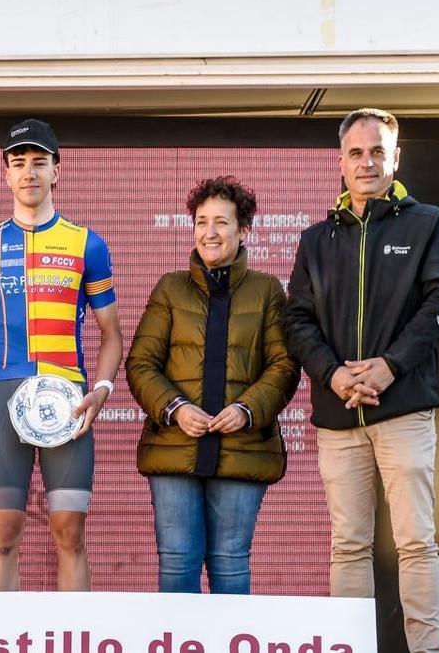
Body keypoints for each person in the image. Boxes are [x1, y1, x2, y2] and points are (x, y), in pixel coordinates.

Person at [283, 108, 439, 652]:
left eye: (378, 151)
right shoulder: (316, 240)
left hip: (405, 408)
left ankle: (429, 649)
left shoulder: (426, 222)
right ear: (340, 162)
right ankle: (350, 647)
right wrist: (335, 374)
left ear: (395, 158)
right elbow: (296, 320)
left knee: (415, 543)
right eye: (356, 153)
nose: (367, 162)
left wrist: (390, 365)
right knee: (348, 545)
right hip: (340, 416)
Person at [0, 119, 121, 591]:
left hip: (70, 397)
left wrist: (99, 391)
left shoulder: (87, 244)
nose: (29, 173)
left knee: (70, 533)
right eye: (19, 164)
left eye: (39, 163)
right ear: (6, 174)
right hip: (5, 394)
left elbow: (112, 334)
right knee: (3, 536)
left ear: (57, 170)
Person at [126, 176, 298, 594]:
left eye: (222, 222)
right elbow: (140, 364)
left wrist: (245, 411)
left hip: (244, 449)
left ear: (244, 230)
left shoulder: (268, 290)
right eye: (201, 221)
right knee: (177, 561)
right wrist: (176, 408)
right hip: (173, 446)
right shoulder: (170, 287)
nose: (210, 232)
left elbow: (284, 366)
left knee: (230, 563)